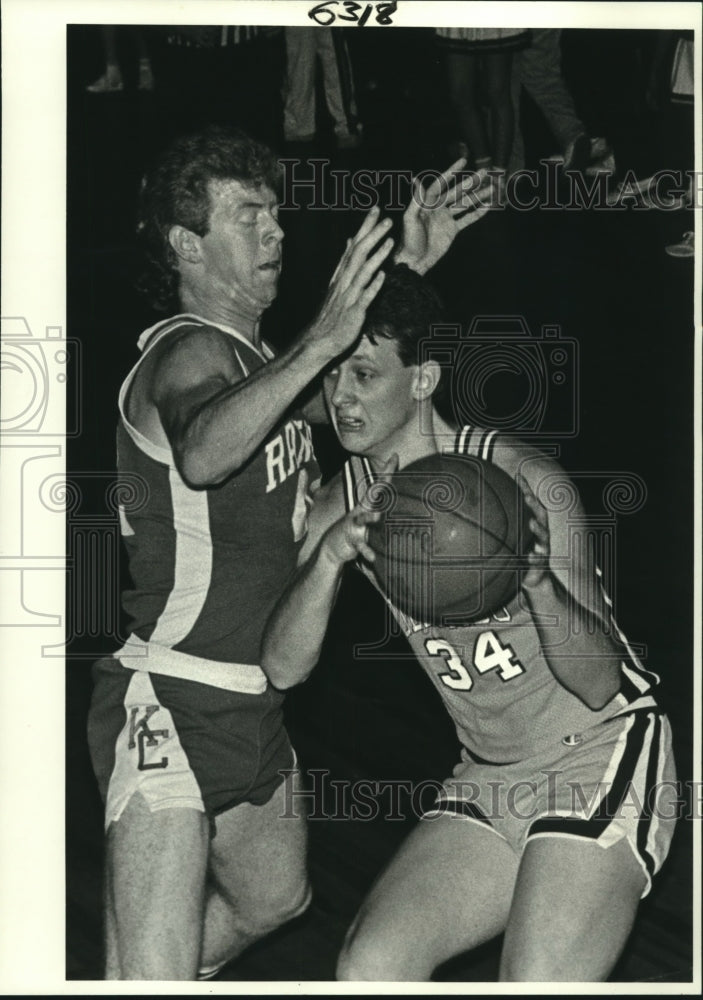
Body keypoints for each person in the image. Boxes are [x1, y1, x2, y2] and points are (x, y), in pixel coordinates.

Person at [86, 124, 492, 980]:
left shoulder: (255, 364)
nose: (274, 233)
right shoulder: (185, 350)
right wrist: (320, 335)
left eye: (275, 214)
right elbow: (203, 450)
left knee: (275, 900)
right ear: (186, 245)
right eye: (247, 217)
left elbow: (337, 384)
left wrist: (407, 270)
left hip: (251, 704)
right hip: (169, 694)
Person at [261, 265, 677, 982]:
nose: (342, 398)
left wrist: (537, 583)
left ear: (422, 381)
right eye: (334, 377)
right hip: (487, 774)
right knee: (370, 969)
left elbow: (598, 678)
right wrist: (327, 561)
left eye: (364, 374)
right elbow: (281, 668)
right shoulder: (345, 499)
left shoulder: (521, 480)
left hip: (598, 752)